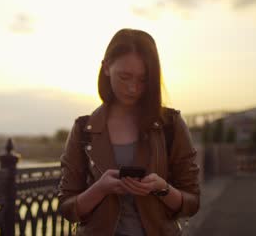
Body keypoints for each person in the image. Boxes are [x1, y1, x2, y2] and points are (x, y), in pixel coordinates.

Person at [57, 28, 200, 236]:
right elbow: (67, 208)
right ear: (106, 67)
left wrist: (162, 188)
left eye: (143, 79)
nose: (133, 88)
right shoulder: (84, 129)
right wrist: (100, 189)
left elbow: (192, 203)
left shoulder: (171, 124)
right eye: (125, 77)